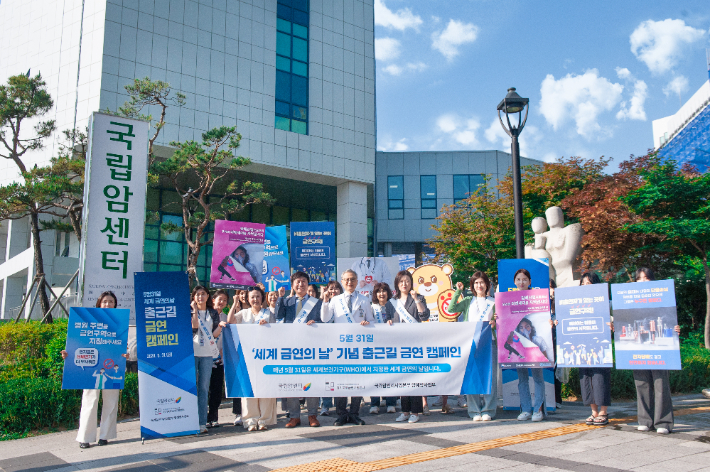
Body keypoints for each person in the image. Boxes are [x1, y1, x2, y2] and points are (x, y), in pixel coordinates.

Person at [60, 291, 128, 449]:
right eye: (105, 301)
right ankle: (85, 437)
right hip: (92, 367)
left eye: (111, 301)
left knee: (111, 402)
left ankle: (105, 436)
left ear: (115, 304)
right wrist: (68, 354)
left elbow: (121, 345)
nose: (108, 304)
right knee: (89, 401)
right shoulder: (89, 319)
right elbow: (79, 340)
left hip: (112, 367)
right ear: (99, 303)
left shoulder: (119, 322)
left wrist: (124, 354)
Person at [321, 269, 375, 426]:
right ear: (342, 281)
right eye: (346, 280)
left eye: (352, 280)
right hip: (340, 347)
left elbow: (371, 321)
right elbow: (325, 319)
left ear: (357, 281)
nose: (349, 282)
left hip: (358, 347)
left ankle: (354, 413)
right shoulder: (335, 300)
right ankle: (342, 413)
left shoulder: (364, 300)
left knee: (357, 379)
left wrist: (367, 324)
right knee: (341, 380)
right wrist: (325, 300)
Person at [632, 267, 680, 434]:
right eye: (639, 279)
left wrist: (675, 328)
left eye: (646, 278)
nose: (643, 282)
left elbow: (669, 317)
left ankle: (663, 422)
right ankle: (645, 420)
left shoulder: (662, 297)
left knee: (660, 383)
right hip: (639, 345)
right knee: (641, 383)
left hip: (659, 347)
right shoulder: (630, 300)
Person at [274, 271, 322, 428]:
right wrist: (280, 297)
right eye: (297, 282)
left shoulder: (317, 302)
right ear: (292, 285)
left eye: (303, 281)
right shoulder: (287, 301)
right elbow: (278, 316)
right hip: (292, 347)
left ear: (308, 284)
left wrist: (316, 324)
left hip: (311, 347)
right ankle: (294, 416)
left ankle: (312, 415)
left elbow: (323, 322)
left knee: (311, 380)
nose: (300, 284)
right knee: (292, 381)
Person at [448, 272, 497, 422]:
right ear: (473, 285)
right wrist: (458, 292)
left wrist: (495, 324)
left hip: (489, 342)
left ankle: (488, 409)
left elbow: (499, 321)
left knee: (490, 376)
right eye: (476, 283)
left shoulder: (494, 302)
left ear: (487, 284)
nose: (479, 285)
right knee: (472, 377)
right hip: (471, 343)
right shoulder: (469, 300)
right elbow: (451, 309)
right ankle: (474, 410)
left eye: (482, 282)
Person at [228, 286, 277, 431]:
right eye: (252, 297)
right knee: (248, 388)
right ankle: (250, 419)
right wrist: (235, 303)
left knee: (265, 388)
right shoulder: (243, 313)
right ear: (248, 299)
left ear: (262, 298)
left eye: (258, 296)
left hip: (265, 356)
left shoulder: (268, 313)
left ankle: (264, 420)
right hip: (247, 355)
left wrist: (267, 326)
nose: (255, 299)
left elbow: (276, 333)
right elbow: (231, 321)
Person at [385, 270, 429, 424]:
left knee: (414, 377)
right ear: (397, 284)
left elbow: (424, 316)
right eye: (401, 281)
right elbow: (387, 318)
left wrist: (416, 299)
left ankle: (415, 412)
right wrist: (388, 322)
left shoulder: (419, 298)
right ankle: (405, 410)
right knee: (402, 378)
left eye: (407, 281)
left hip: (414, 344)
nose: (404, 284)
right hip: (398, 345)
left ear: (411, 283)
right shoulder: (391, 302)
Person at [511, 268, 547, 422]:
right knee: (522, 379)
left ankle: (538, 409)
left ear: (530, 281)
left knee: (538, 378)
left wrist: (550, 321)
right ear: (514, 282)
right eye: (518, 279)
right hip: (518, 345)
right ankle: (526, 409)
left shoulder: (537, 297)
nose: (521, 282)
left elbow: (544, 317)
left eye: (524, 279)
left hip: (533, 345)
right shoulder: (509, 298)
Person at [191, 285, 225, 434]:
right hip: (192, 353)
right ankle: (190, 420)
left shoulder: (212, 312)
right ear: (193, 297)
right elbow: (194, 327)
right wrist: (194, 310)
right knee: (192, 387)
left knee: (204, 388)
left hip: (207, 355)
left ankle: (201, 422)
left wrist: (221, 326)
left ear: (207, 297)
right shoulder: (191, 311)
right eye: (197, 294)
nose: (200, 297)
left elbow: (214, 334)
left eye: (203, 294)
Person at [369, 282, 398, 414]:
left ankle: (390, 402)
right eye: (379, 291)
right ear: (375, 294)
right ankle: (374, 403)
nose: (381, 294)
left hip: (390, 345)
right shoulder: (371, 307)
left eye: (384, 291)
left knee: (390, 374)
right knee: (375, 375)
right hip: (375, 346)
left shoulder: (393, 306)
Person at [318, 280, 343, 416]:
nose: (334, 291)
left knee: (340, 376)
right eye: (331, 289)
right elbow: (318, 319)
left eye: (336, 289)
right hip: (326, 345)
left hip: (342, 346)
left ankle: (340, 406)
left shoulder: (345, 304)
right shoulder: (321, 303)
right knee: (326, 375)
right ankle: (325, 405)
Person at [206, 289, 229, 428]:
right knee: (204, 388)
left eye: (225, 300)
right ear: (213, 299)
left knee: (216, 388)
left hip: (219, 357)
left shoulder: (226, 317)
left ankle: (213, 416)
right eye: (219, 299)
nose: (222, 302)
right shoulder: (206, 315)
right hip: (205, 356)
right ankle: (203, 416)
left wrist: (222, 352)